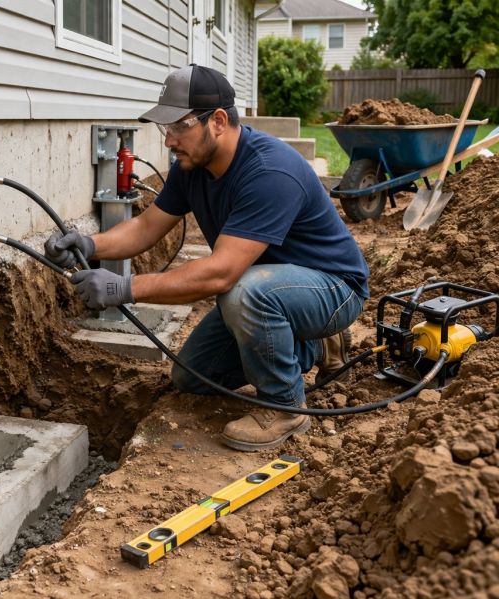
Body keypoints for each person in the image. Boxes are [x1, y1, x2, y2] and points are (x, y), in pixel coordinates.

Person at [44, 64, 369, 451]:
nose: (169, 141)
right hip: (268, 284)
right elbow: (147, 227)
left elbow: (219, 274)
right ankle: (310, 345)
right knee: (193, 377)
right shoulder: (192, 165)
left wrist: (124, 288)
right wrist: (88, 244)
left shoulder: (269, 171)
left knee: (242, 291)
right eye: (166, 130)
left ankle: (285, 406)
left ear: (217, 121)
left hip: (332, 287)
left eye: (178, 127)